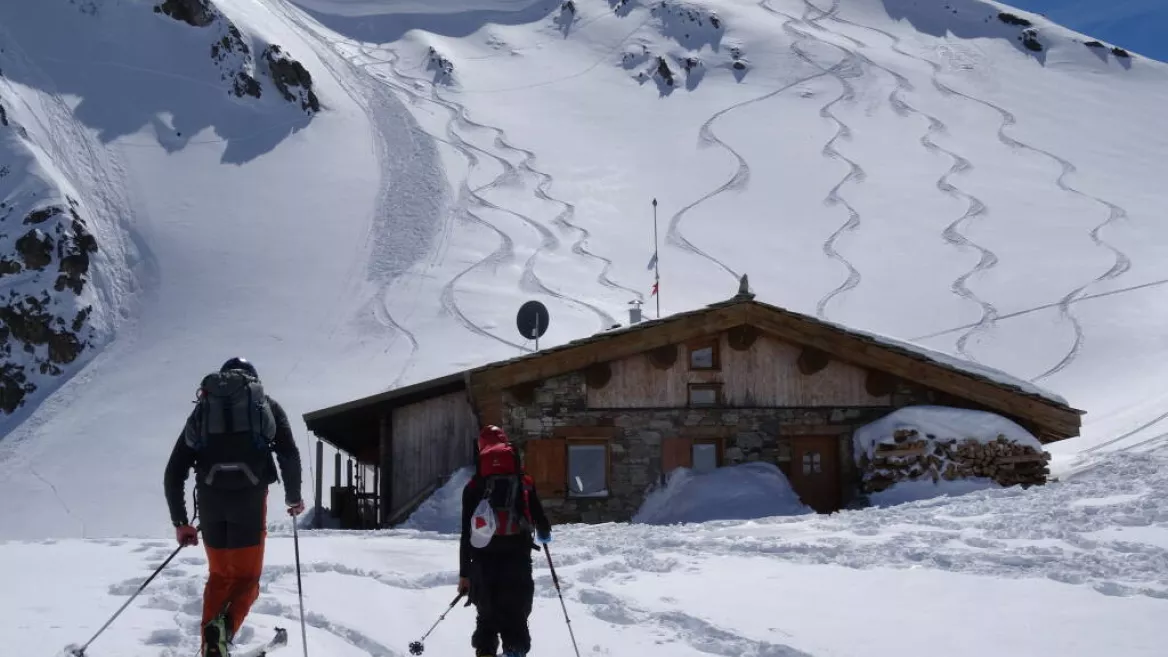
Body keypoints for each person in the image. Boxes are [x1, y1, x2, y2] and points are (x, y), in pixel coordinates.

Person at [164, 357, 305, 657]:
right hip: (249, 505)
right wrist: (293, 497)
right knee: (247, 581)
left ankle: (210, 649)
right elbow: (289, 454)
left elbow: (174, 471)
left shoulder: (203, 410)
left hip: (211, 505)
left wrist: (181, 522)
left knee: (220, 577)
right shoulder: (265, 405)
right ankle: (222, 633)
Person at [459, 425, 552, 657]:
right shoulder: (524, 481)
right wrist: (544, 533)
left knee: (486, 616)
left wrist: (465, 573)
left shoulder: (473, 487)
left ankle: (486, 652)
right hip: (517, 556)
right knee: (516, 615)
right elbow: (540, 518)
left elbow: (466, 534)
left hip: (483, 559)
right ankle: (515, 651)